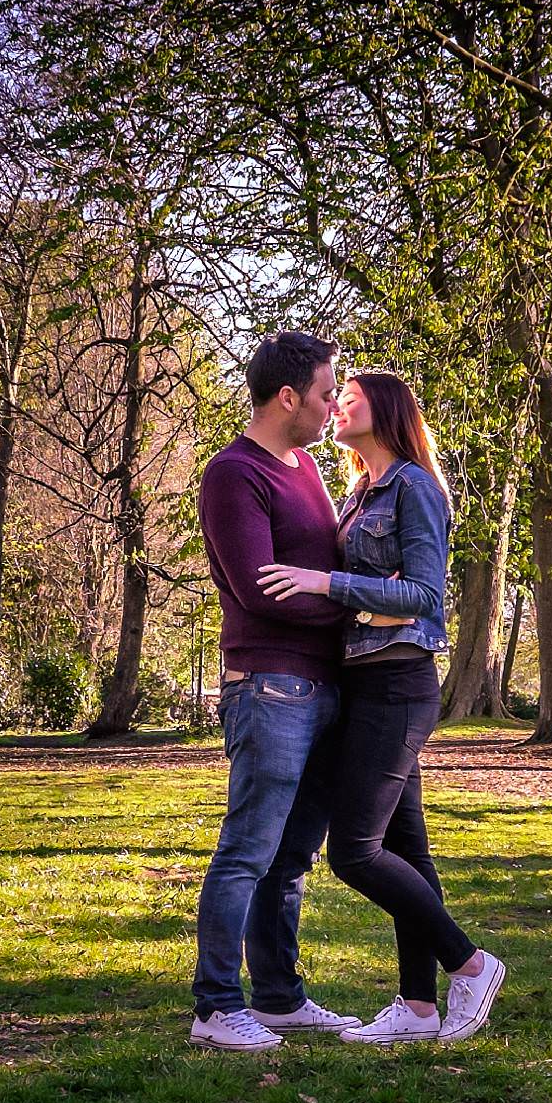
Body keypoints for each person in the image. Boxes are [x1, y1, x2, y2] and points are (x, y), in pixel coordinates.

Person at [257, 369, 506, 1045]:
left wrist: (329, 581)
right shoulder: (358, 492)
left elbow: (425, 595)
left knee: (354, 853)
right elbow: (381, 592)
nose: (337, 406)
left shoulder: (414, 487)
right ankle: (418, 1008)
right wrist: (367, 590)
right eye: (336, 398)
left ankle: (470, 963)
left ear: (387, 411)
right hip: (364, 679)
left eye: (352, 398)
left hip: (398, 684)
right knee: (407, 849)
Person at [187, 331, 363, 1050]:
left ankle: (280, 998)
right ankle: (215, 1007)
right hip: (270, 686)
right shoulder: (234, 473)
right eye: (325, 394)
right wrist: (355, 607)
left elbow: (314, 574)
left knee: (291, 858)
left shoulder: (306, 471)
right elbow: (262, 592)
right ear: (287, 396)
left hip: (325, 687)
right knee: (248, 851)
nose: (331, 408)